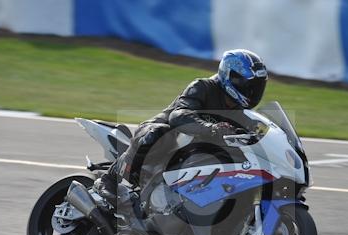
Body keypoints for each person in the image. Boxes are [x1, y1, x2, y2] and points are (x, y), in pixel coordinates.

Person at [100, 49, 268, 198]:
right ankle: (109, 179)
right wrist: (211, 128)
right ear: (232, 78)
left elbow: (253, 132)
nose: (253, 92)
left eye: (257, 87)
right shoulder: (202, 87)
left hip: (190, 154)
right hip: (166, 136)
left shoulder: (240, 111)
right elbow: (179, 115)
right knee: (156, 133)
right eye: (249, 86)